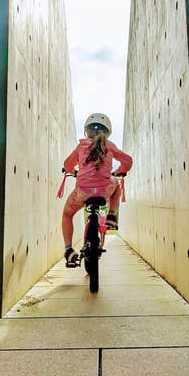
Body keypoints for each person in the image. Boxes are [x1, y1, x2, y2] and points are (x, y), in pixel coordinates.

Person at [61, 113, 133, 267]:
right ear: (107, 132)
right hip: (104, 190)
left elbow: (67, 164)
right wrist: (119, 171)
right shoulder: (110, 145)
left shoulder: (81, 146)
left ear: (87, 130)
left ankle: (68, 249)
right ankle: (112, 216)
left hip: (83, 191)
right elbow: (128, 161)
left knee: (67, 214)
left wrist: (74, 172)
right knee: (116, 184)